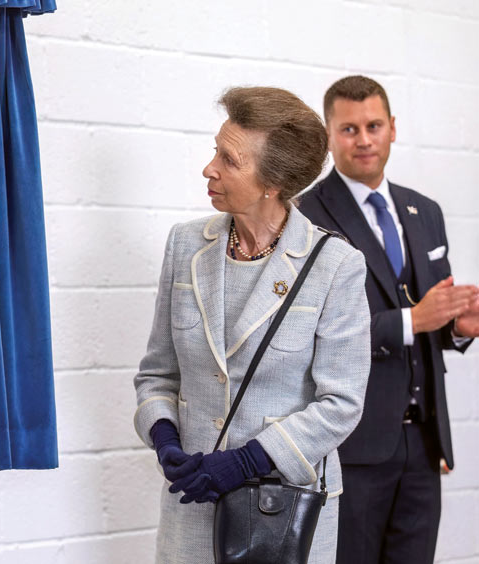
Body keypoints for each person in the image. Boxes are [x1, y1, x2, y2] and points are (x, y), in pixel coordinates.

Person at [133, 86, 371, 564]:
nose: (209, 168)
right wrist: (164, 438)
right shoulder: (185, 245)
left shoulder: (335, 265)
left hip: (280, 512)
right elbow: (157, 373)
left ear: (273, 182)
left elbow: (341, 404)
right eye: (215, 151)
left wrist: (246, 461)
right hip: (190, 503)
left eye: (229, 159)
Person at [297, 75, 479, 564]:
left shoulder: (426, 211)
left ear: (392, 128)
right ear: (329, 135)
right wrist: (411, 321)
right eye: (349, 129)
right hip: (351, 447)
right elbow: (307, 333)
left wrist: (457, 327)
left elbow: (430, 318)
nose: (364, 140)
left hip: (424, 441)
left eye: (373, 126)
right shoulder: (305, 216)